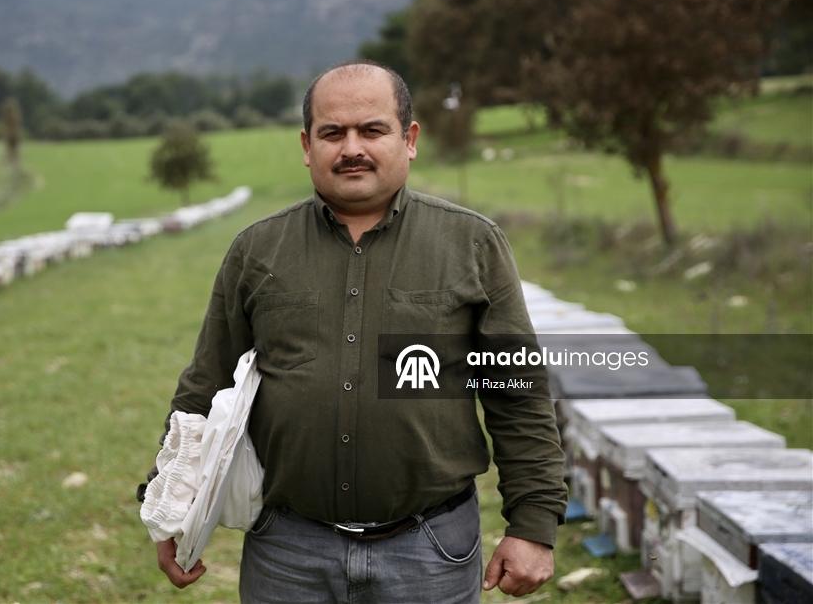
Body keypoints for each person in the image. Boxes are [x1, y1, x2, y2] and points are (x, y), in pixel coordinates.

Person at [143, 62, 566, 602]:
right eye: (332, 133)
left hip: (430, 547)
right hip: (287, 549)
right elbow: (204, 385)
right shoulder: (257, 252)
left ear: (409, 139)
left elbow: (518, 394)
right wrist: (170, 506)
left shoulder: (473, 245)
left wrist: (533, 524)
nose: (351, 148)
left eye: (372, 130)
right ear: (306, 145)